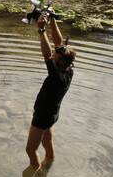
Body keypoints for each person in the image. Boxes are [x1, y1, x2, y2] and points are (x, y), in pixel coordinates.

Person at [25, 12, 76, 168]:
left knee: (31, 149)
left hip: (43, 116)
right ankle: (50, 164)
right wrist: (53, 20)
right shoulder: (68, 71)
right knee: (47, 142)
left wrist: (41, 30)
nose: (54, 54)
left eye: (56, 54)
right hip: (53, 115)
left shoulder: (56, 75)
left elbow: (46, 54)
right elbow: (59, 43)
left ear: (60, 60)